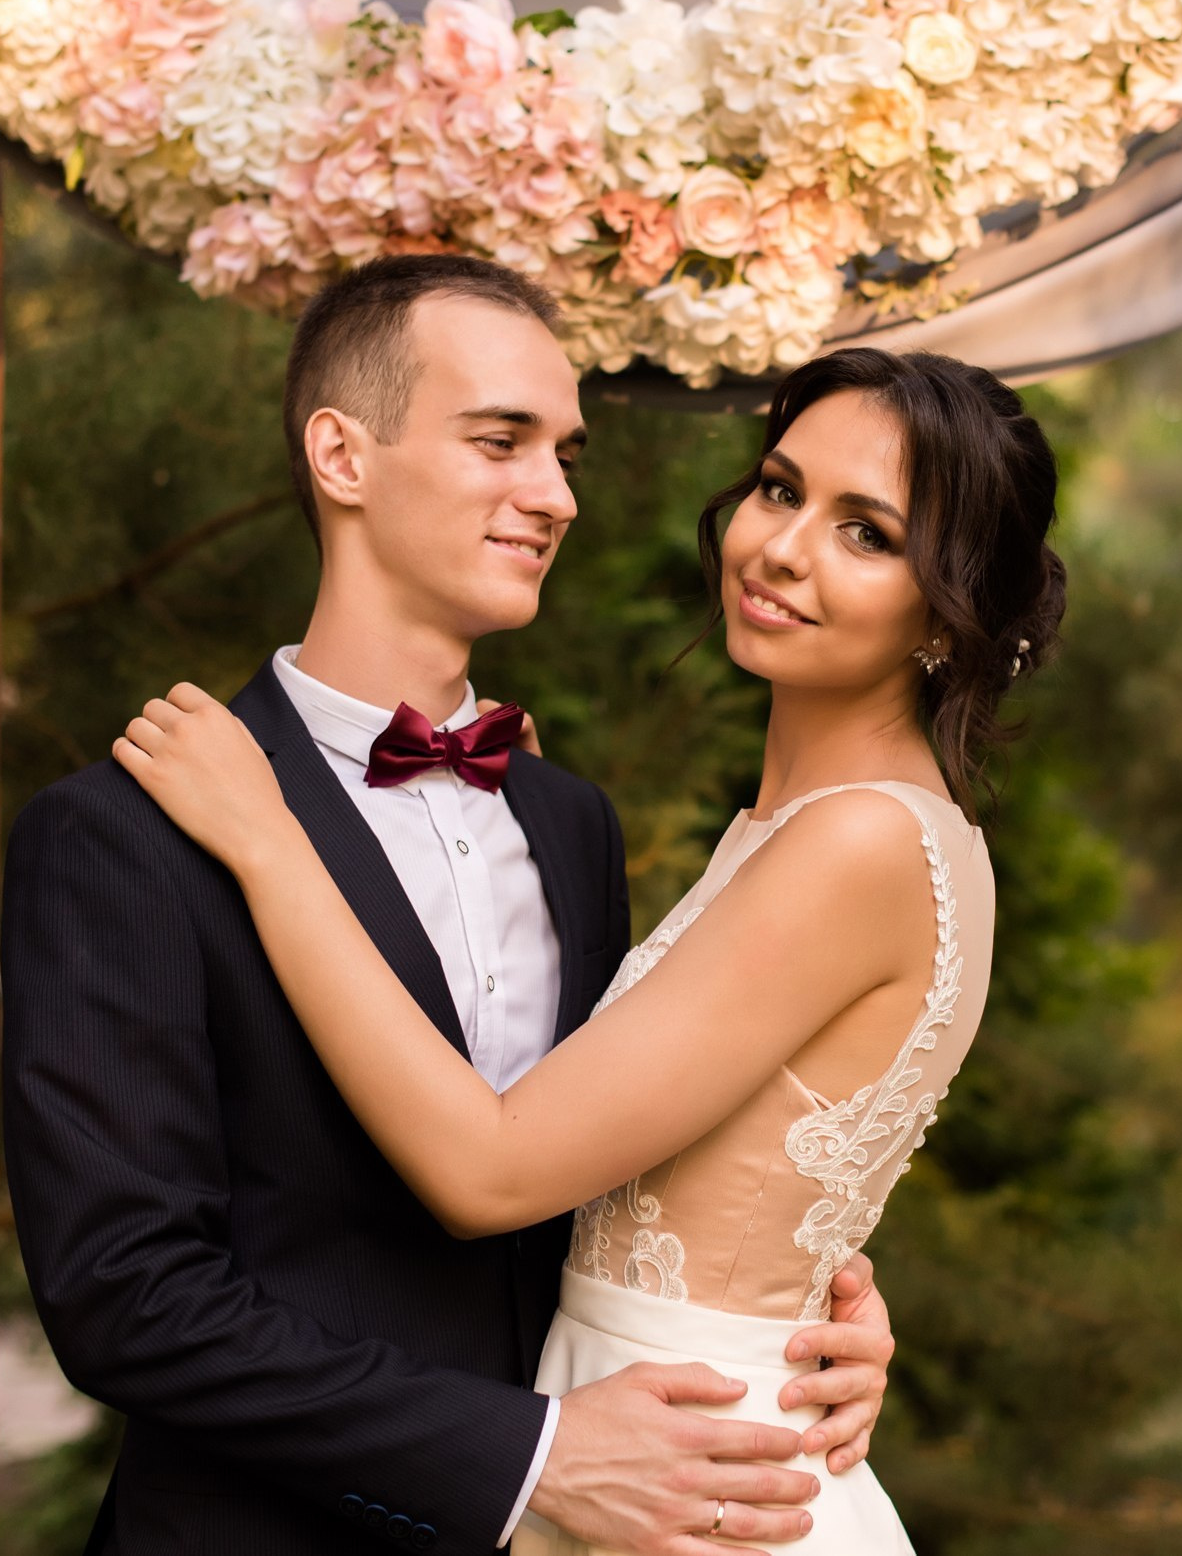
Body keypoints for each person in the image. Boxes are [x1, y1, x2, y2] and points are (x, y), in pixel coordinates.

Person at [0, 257, 904, 1556]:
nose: (554, 495)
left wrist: (803, 1316)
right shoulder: (119, 836)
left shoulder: (569, 822)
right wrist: (529, 1458)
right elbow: (130, 1302)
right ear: (341, 455)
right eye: (502, 442)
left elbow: (617, 1169)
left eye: (566, 454)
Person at [111, 341, 1068, 1554]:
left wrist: (268, 839)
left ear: (953, 605)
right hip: (656, 1437)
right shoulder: (773, 829)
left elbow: (494, 1171)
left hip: (695, 1482)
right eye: (780, 489)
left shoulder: (864, 844)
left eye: (867, 533)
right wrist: (806, 1298)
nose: (781, 548)